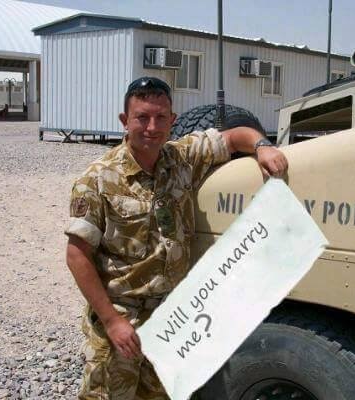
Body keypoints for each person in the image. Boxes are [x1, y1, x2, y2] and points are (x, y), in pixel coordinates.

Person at [65, 76, 288, 399]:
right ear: (124, 122)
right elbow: (77, 256)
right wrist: (112, 321)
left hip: (171, 319)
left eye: (160, 118)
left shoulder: (182, 158)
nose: (152, 127)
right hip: (123, 319)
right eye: (142, 118)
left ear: (172, 121)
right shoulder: (97, 179)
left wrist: (262, 146)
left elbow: (235, 136)